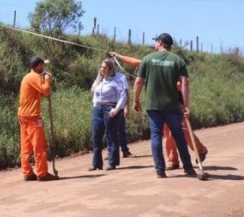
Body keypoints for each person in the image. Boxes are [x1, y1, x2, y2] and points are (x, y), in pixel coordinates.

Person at [110, 51, 208, 169]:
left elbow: (183, 83)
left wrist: (183, 100)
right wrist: (119, 56)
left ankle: (200, 150)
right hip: (161, 104)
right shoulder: (152, 62)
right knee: (167, 132)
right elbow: (137, 62)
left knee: (183, 129)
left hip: (176, 102)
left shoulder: (173, 65)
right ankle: (173, 160)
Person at [132, 33, 197, 178]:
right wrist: (185, 104)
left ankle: (160, 171)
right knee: (178, 135)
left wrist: (135, 100)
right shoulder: (177, 60)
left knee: (156, 136)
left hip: (153, 106)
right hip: (172, 106)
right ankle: (188, 167)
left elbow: (138, 82)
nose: (154, 44)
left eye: (156, 41)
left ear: (160, 42)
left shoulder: (147, 59)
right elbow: (185, 83)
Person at [18, 56, 58, 181]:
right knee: (39, 145)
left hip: (24, 115)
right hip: (32, 116)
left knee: (26, 146)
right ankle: (42, 173)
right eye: (43, 65)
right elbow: (45, 91)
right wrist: (47, 80)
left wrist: (44, 84)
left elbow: (39, 93)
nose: (44, 68)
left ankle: (27, 172)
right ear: (39, 65)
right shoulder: (34, 77)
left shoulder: (27, 77)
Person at [89, 58, 126, 171]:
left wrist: (117, 109)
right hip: (98, 109)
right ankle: (96, 164)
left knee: (111, 135)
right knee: (96, 136)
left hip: (109, 108)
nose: (102, 69)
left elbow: (123, 96)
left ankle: (112, 162)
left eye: (105, 67)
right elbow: (93, 91)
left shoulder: (115, 81)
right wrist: (95, 104)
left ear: (110, 69)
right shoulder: (99, 81)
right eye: (101, 67)